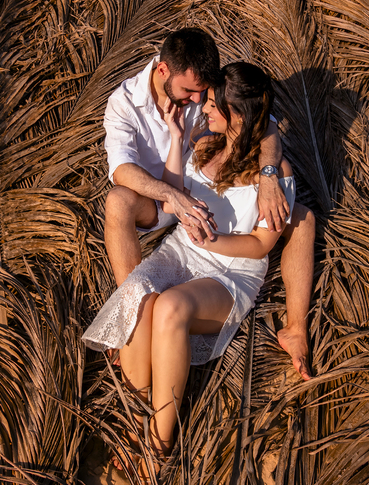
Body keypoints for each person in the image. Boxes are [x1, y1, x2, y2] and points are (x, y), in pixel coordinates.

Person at [84, 62, 295, 464]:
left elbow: (260, 245)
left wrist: (214, 238)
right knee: (137, 296)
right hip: (183, 250)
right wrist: (177, 137)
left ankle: (158, 446)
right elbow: (176, 192)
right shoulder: (202, 140)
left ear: (237, 115)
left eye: (213, 105)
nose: (204, 109)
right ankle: (135, 422)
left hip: (232, 270)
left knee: (171, 307)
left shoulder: (276, 174)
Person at [102, 28, 315, 380]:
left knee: (302, 216)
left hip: (200, 198)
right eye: (189, 92)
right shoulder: (124, 103)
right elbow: (121, 170)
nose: (198, 100)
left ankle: (296, 328)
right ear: (163, 71)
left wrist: (267, 174)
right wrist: (172, 195)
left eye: (203, 93)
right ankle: (130, 318)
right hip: (160, 201)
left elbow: (265, 126)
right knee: (117, 201)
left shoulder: (204, 95)